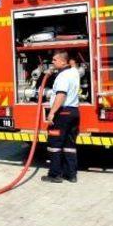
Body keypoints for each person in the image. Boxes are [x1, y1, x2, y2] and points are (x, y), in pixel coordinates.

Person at [42, 50, 80, 183]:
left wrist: (52, 112)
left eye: (54, 60)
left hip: (62, 113)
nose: (52, 62)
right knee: (69, 144)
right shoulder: (74, 72)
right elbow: (74, 65)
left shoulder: (63, 77)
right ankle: (71, 174)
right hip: (74, 112)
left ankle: (55, 174)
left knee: (55, 144)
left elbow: (61, 95)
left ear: (63, 62)